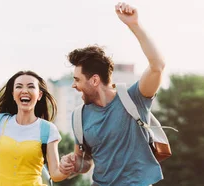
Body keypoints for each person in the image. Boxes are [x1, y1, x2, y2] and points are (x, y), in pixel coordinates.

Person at [59, 2, 166, 186]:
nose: (73, 86)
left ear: (94, 80)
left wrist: (134, 25)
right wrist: (74, 162)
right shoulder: (79, 117)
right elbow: (86, 161)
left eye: (77, 80)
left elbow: (157, 66)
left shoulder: (134, 98)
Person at [0, 70, 70, 185]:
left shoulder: (48, 129)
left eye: (31, 87)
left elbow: (55, 175)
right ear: (13, 94)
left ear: (39, 95)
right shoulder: (0, 123)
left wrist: (68, 168)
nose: (25, 91)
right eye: (19, 87)